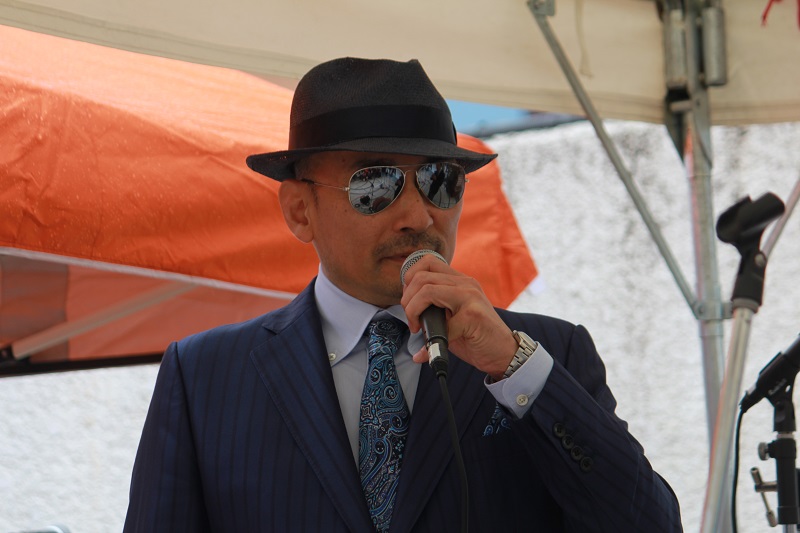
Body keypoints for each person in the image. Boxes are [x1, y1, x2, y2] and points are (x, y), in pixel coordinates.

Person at [124, 57, 682, 532]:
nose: (418, 214)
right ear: (299, 211)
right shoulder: (205, 378)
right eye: (375, 183)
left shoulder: (544, 353)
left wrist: (515, 368)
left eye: (441, 180)